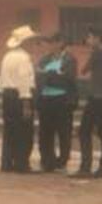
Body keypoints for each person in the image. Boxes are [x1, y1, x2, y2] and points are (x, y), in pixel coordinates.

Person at [72, 26, 102, 180]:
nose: (88, 40)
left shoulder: (99, 51)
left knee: (85, 130)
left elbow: (84, 70)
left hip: (97, 96)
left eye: (90, 37)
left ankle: (86, 167)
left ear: (97, 38)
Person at [0, 26, 38, 174]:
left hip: (7, 96)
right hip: (20, 97)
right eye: (32, 41)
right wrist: (26, 103)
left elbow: (2, 80)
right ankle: (22, 164)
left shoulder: (7, 56)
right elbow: (24, 81)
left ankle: (7, 163)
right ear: (25, 42)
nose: (34, 44)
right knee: (24, 132)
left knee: (9, 131)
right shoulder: (24, 58)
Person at [34, 32, 78, 173]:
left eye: (51, 42)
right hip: (46, 100)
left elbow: (67, 80)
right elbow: (39, 78)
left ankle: (62, 161)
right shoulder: (44, 59)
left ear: (60, 43)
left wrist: (48, 75)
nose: (48, 46)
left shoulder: (69, 59)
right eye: (47, 42)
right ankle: (47, 161)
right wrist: (55, 75)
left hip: (63, 101)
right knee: (45, 132)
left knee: (63, 132)